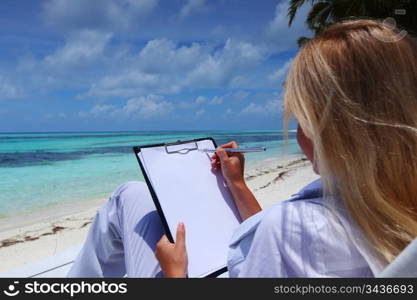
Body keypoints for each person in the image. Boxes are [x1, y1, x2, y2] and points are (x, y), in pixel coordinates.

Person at [68, 19, 417, 277]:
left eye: (301, 119)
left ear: (331, 131)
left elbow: (285, 239)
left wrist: (175, 274)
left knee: (125, 197)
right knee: (135, 196)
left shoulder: (293, 232)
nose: (298, 133)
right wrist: (236, 184)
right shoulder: (393, 202)